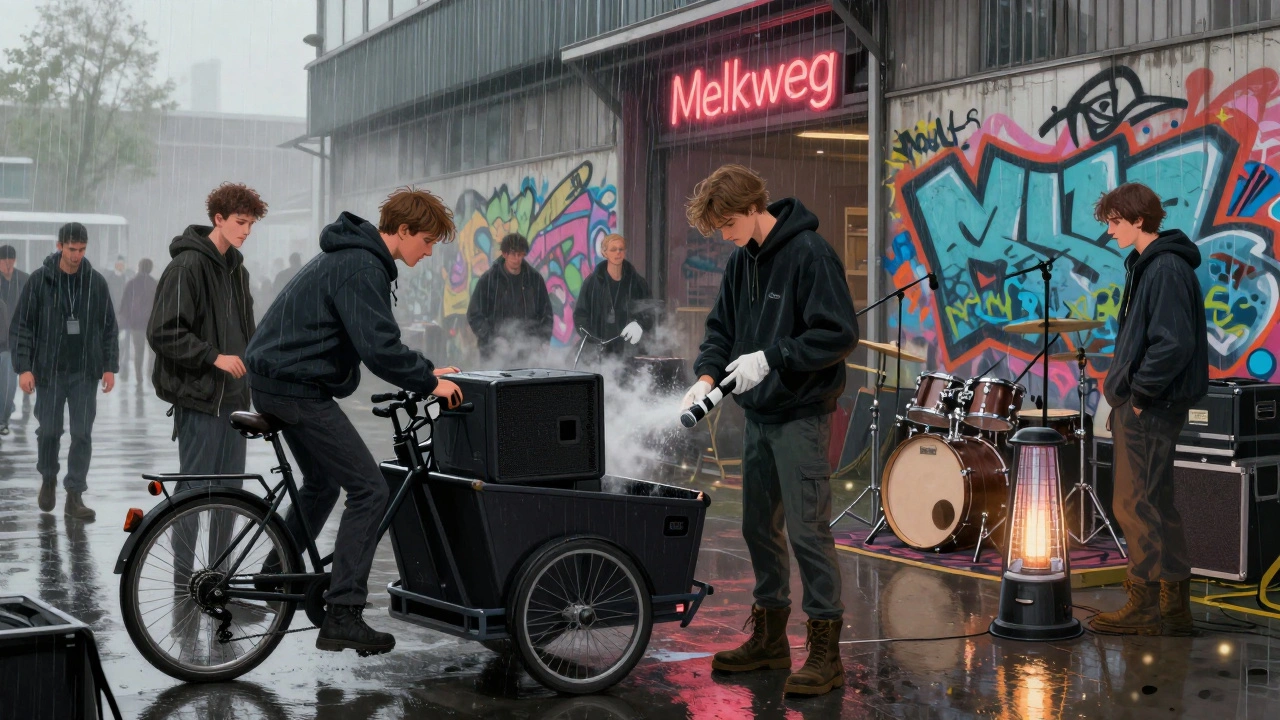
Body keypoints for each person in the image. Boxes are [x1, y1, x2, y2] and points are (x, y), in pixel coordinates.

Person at [246, 187, 463, 656]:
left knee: (322, 483)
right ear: (402, 231)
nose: (428, 253)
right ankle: (343, 613)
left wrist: (426, 370)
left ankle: (272, 571)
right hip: (295, 387)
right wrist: (429, 385)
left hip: (276, 381)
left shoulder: (352, 257)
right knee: (370, 490)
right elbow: (379, 348)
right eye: (426, 241)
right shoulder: (362, 266)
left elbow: (376, 339)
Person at [680, 164, 858, 697]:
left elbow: (838, 334)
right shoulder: (741, 264)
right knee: (758, 528)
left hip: (802, 415)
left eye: (726, 224)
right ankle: (771, 638)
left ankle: (825, 652)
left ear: (751, 209)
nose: (723, 235)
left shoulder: (811, 254)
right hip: (758, 415)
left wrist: (776, 356)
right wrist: (707, 376)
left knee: (808, 532)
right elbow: (721, 328)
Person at [1089, 183, 1208, 637]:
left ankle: (1144, 607)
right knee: (1156, 503)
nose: (1110, 231)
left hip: (1150, 407)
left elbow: (1173, 343)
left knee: (1135, 503)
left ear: (1139, 220)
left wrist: (1138, 397)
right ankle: (1173, 608)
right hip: (1154, 405)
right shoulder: (1154, 266)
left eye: (1115, 222)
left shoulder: (1164, 268)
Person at [9, 222, 118, 519]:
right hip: (49, 370)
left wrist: (109, 367)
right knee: (50, 431)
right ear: (59, 246)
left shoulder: (95, 282)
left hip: (84, 371)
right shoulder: (39, 281)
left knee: (82, 433)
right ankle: (48, 477)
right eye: (71, 249)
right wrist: (24, 368)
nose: (77, 255)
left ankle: (75, 494)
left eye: (82, 250)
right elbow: (22, 327)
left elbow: (108, 326)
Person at [466, 233, 553, 363]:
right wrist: (492, 339)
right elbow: (474, 315)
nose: (517, 258)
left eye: (520, 254)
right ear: (504, 254)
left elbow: (546, 314)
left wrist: (542, 340)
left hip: (527, 353)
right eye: (513, 254)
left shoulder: (535, 280)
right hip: (493, 353)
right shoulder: (488, 280)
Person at [572, 233, 654, 360]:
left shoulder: (638, 283)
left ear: (625, 252)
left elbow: (650, 311)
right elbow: (580, 315)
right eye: (613, 249)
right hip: (598, 354)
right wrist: (592, 340)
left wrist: (639, 324)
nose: (618, 253)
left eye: (621, 249)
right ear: (604, 253)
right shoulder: (592, 283)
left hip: (629, 353)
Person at [0, 245, 28, 435]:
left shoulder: (24, 280)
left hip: (13, 342)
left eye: (11, 261)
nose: (8, 265)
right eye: (4, 261)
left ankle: (3, 419)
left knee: (9, 383)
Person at [120, 258, 158, 390]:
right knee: (152, 351)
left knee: (138, 351)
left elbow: (124, 304)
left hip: (136, 324)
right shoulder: (155, 284)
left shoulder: (132, 283)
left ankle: (139, 377)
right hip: (152, 324)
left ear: (139, 267)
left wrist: (125, 321)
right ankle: (150, 373)